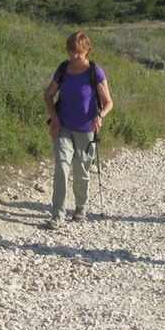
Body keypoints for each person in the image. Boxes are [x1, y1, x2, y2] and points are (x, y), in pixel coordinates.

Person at [42, 31, 114, 228]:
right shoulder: (63, 69)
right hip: (63, 127)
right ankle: (58, 215)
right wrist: (55, 120)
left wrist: (100, 116)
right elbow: (48, 95)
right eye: (71, 52)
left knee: (82, 172)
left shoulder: (95, 72)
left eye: (78, 53)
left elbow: (108, 103)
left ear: (87, 51)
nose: (74, 56)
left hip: (86, 129)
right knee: (62, 168)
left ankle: (81, 208)